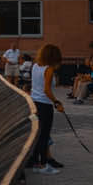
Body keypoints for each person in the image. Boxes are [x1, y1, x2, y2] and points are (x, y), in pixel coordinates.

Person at [29, 43, 65, 174]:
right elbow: (47, 90)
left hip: (34, 103)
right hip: (45, 105)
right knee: (44, 136)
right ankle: (43, 165)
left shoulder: (35, 66)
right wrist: (57, 102)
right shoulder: (48, 69)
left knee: (38, 135)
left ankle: (35, 162)